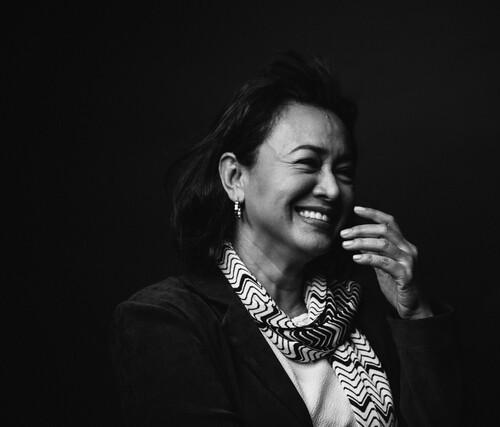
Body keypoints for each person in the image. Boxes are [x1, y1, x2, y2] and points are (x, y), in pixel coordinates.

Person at [110, 52, 460, 427]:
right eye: (307, 162)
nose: (331, 190)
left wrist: (415, 314)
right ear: (235, 178)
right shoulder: (166, 319)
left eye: (343, 172)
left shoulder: (370, 310)